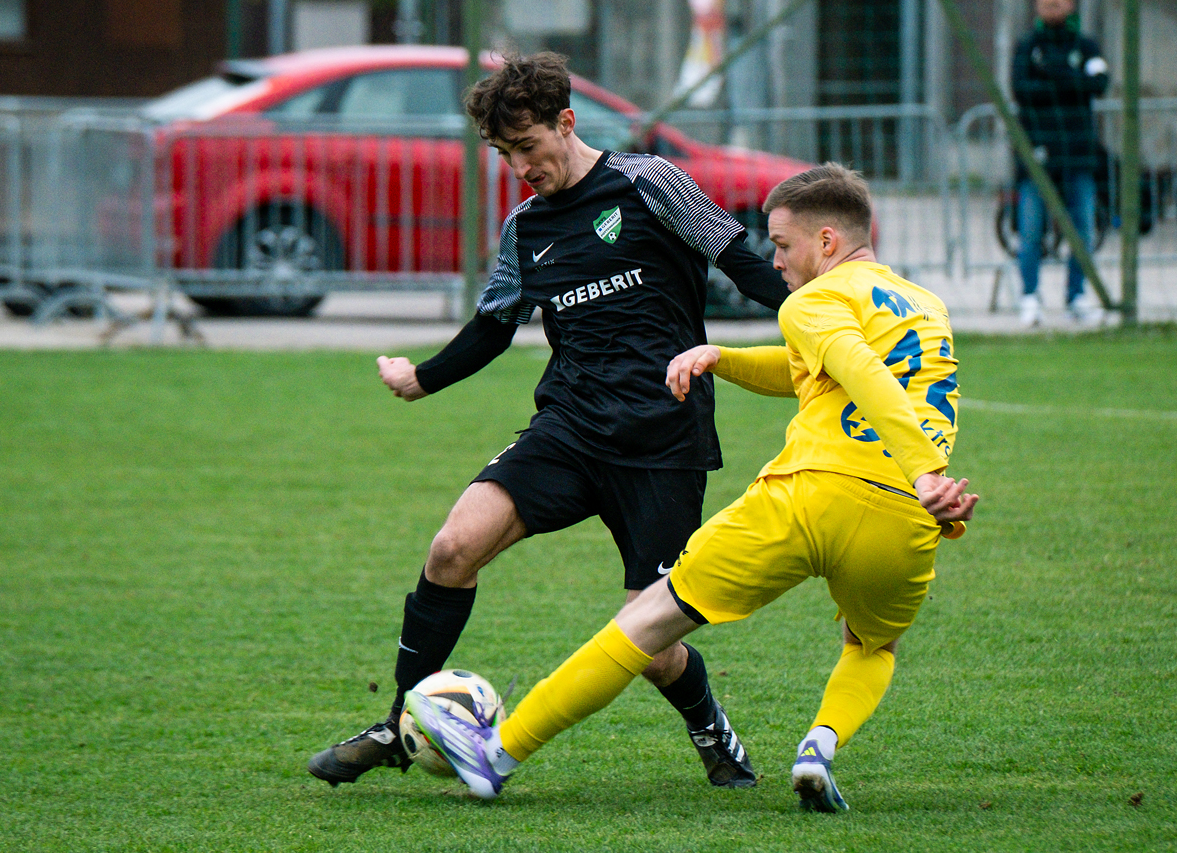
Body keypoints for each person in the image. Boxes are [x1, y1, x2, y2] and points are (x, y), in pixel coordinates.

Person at [407, 163, 979, 812]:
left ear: (826, 241)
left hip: (808, 497)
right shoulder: (925, 306)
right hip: (904, 518)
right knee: (872, 645)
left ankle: (498, 753)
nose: (774, 261)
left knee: (646, 621)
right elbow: (821, 370)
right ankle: (818, 747)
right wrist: (722, 359)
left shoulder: (813, 300)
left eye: (782, 244)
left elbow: (857, 368)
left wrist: (923, 467)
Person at [308, 52, 790, 790]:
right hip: (569, 427)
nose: (519, 168)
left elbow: (742, 260)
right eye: (505, 154)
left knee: (651, 644)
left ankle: (708, 726)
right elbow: (493, 325)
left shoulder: (651, 181)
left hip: (662, 438)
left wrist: (830, 318)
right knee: (451, 549)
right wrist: (421, 378)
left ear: (566, 123)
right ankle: (400, 720)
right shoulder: (525, 226)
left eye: (527, 147)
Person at [1011, 0, 1109, 327]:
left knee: (1082, 228)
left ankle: (1076, 297)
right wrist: (1072, 82)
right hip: (1036, 154)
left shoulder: (1087, 45)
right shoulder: (1027, 46)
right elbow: (1021, 90)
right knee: (1030, 229)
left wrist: (1054, 75)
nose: (1052, 2)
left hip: (1079, 153)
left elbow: (1099, 83)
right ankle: (1029, 297)